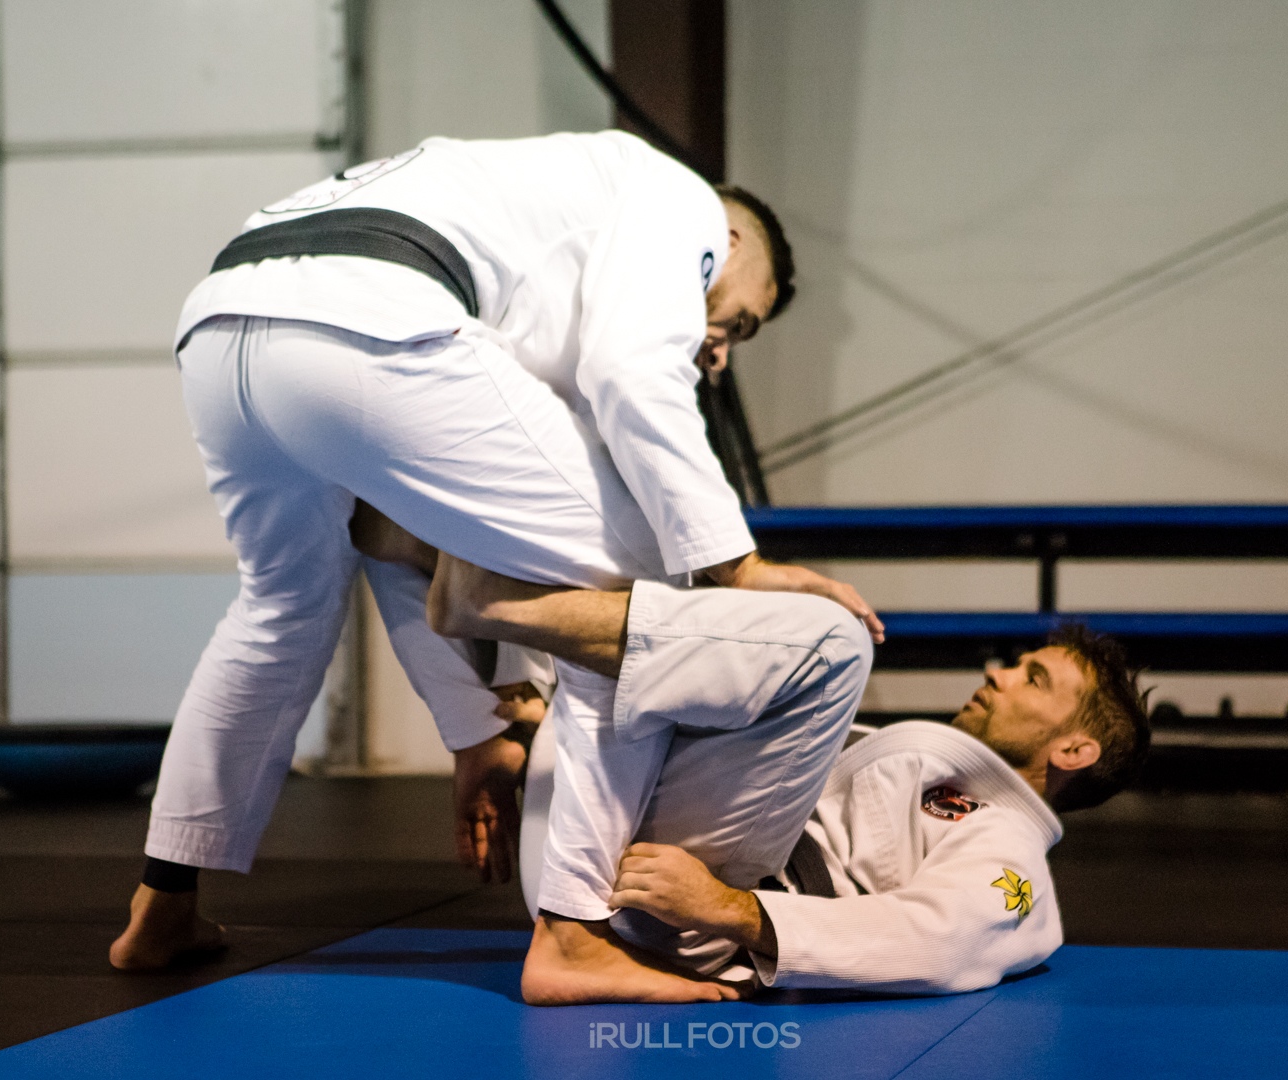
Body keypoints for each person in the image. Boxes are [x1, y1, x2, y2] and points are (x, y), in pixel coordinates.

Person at [110, 132, 882, 1000]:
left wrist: (476, 727)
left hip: (224, 322)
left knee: (280, 608)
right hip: (372, 313)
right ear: (731, 244)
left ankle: (162, 905)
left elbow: (432, 547)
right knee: (637, 595)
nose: (720, 353)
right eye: (738, 321)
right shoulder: (684, 203)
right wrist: (735, 566)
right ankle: (574, 935)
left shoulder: (550, 251)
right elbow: (632, 371)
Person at [502, 607, 1151, 998]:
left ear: (1074, 750)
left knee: (833, 646)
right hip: (591, 860)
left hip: (682, 909)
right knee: (612, 576)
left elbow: (941, 940)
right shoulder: (938, 772)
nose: (997, 673)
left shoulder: (1011, 852)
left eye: (1032, 679)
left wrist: (726, 907)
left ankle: (517, 702)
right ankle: (515, 735)